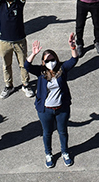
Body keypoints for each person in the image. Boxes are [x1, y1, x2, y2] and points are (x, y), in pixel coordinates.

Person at [26, 35, 80, 168]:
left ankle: (65, 153)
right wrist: (33, 54)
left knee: (62, 132)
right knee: (47, 132)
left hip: (62, 108)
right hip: (45, 110)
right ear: (43, 62)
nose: (51, 62)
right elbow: (27, 65)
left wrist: (73, 46)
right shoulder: (41, 71)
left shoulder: (62, 69)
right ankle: (48, 154)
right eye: (47, 60)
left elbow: (74, 59)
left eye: (53, 59)